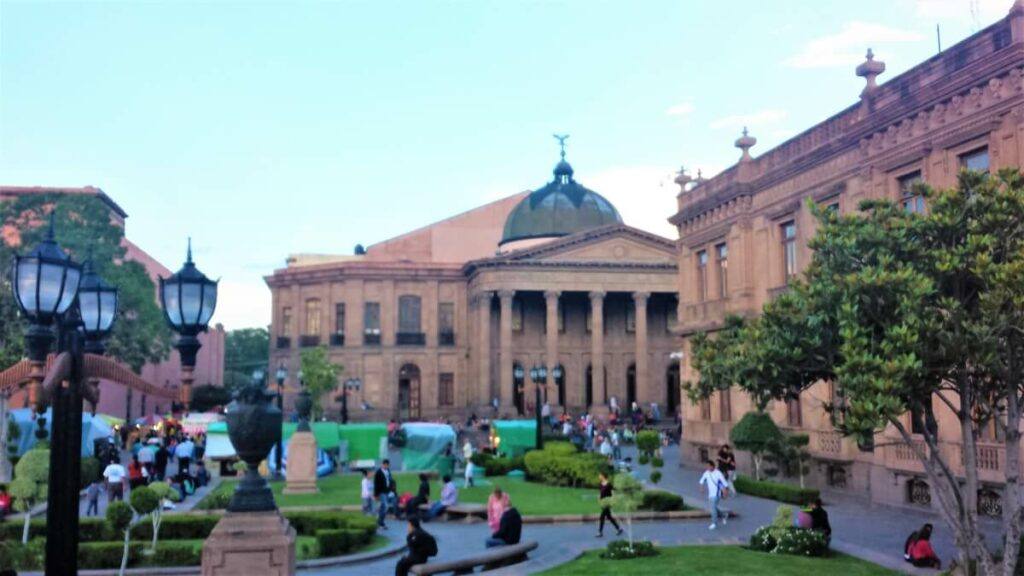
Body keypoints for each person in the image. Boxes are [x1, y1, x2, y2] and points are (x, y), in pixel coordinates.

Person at [699, 460, 728, 530]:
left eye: (709, 466)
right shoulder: (706, 473)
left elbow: (723, 483)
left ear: (712, 466)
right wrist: (701, 488)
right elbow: (701, 481)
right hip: (710, 494)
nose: (708, 467)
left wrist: (725, 492)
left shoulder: (718, 473)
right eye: (707, 466)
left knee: (712, 508)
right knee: (714, 508)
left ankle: (714, 523)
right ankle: (724, 515)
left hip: (717, 494)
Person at [596, 472, 623, 538]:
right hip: (603, 502)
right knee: (609, 517)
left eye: (600, 475)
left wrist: (613, 501)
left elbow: (613, 493)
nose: (599, 477)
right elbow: (600, 493)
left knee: (602, 517)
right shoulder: (600, 484)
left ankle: (600, 532)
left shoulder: (609, 484)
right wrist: (599, 499)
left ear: (603, 476)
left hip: (608, 502)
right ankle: (619, 529)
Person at [374, 459, 398, 528]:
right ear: (383, 464)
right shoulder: (378, 472)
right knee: (385, 507)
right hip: (382, 492)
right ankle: (381, 522)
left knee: (382, 507)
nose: (387, 466)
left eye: (388, 465)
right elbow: (376, 484)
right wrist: (376, 494)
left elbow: (390, 480)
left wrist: (391, 490)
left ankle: (379, 522)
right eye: (386, 465)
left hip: (387, 491)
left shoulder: (388, 471)